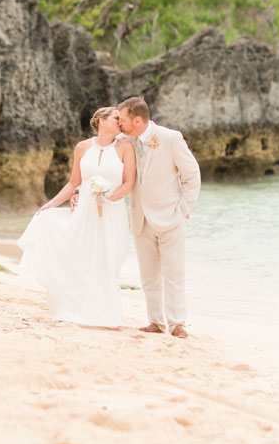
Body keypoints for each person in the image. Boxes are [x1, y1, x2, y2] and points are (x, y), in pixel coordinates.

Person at [18, 106, 136, 328]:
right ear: (101, 120)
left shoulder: (125, 147)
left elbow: (129, 182)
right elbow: (74, 182)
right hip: (85, 211)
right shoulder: (82, 147)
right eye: (116, 118)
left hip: (113, 212)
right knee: (80, 258)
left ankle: (106, 315)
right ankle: (71, 309)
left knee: (109, 260)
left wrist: (109, 198)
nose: (121, 122)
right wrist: (51, 204)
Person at [116, 96, 201, 339]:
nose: (119, 123)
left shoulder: (170, 138)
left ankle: (176, 323)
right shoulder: (124, 141)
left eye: (123, 119)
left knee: (174, 273)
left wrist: (183, 209)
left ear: (138, 120)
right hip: (140, 218)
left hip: (170, 217)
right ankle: (155, 321)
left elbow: (192, 175)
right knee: (149, 275)